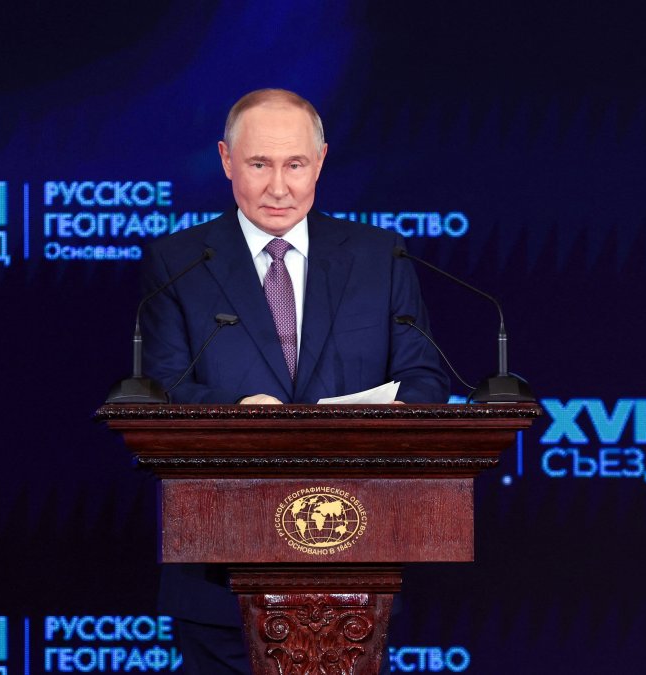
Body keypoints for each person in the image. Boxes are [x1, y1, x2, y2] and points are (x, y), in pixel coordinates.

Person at [139, 88, 450, 672]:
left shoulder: (379, 256)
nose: (278, 187)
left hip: (353, 570)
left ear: (322, 160)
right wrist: (240, 407)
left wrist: (367, 416)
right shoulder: (179, 261)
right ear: (227, 161)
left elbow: (424, 380)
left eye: (295, 164)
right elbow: (160, 389)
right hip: (218, 575)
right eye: (258, 164)